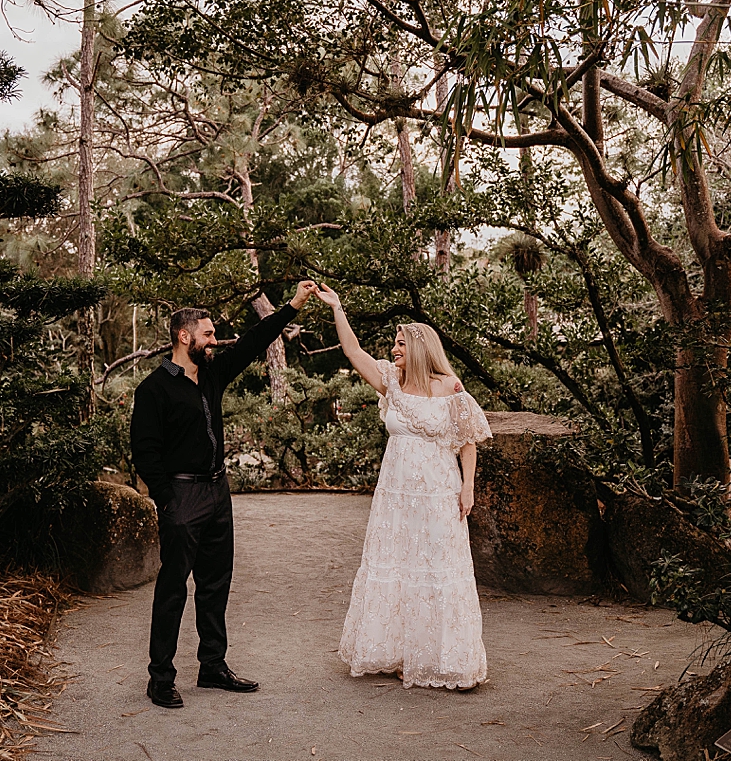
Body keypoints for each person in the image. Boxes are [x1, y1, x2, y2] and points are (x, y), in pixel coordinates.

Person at [130, 280, 318, 709]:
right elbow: (145, 453)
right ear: (184, 336)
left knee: (215, 586)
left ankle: (212, 666)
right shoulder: (154, 389)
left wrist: (292, 306)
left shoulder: (212, 374)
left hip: (217, 493)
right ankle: (160, 678)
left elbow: (253, 343)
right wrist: (168, 500)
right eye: (209, 334)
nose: (215, 340)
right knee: (173, 589)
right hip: (181, 497)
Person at [314, 284, 492, 690]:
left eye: (398, 343)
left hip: (438, 494)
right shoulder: (390, 383)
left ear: (418, 346)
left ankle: (443, 659)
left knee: (437, 571)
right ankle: (402, 653)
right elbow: (353, 352)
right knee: (400, 569)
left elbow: (467, 442)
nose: (393, 350)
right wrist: (338, 308)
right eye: (392, 344)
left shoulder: (452, 388)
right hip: (395, 499)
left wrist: (468, 488)